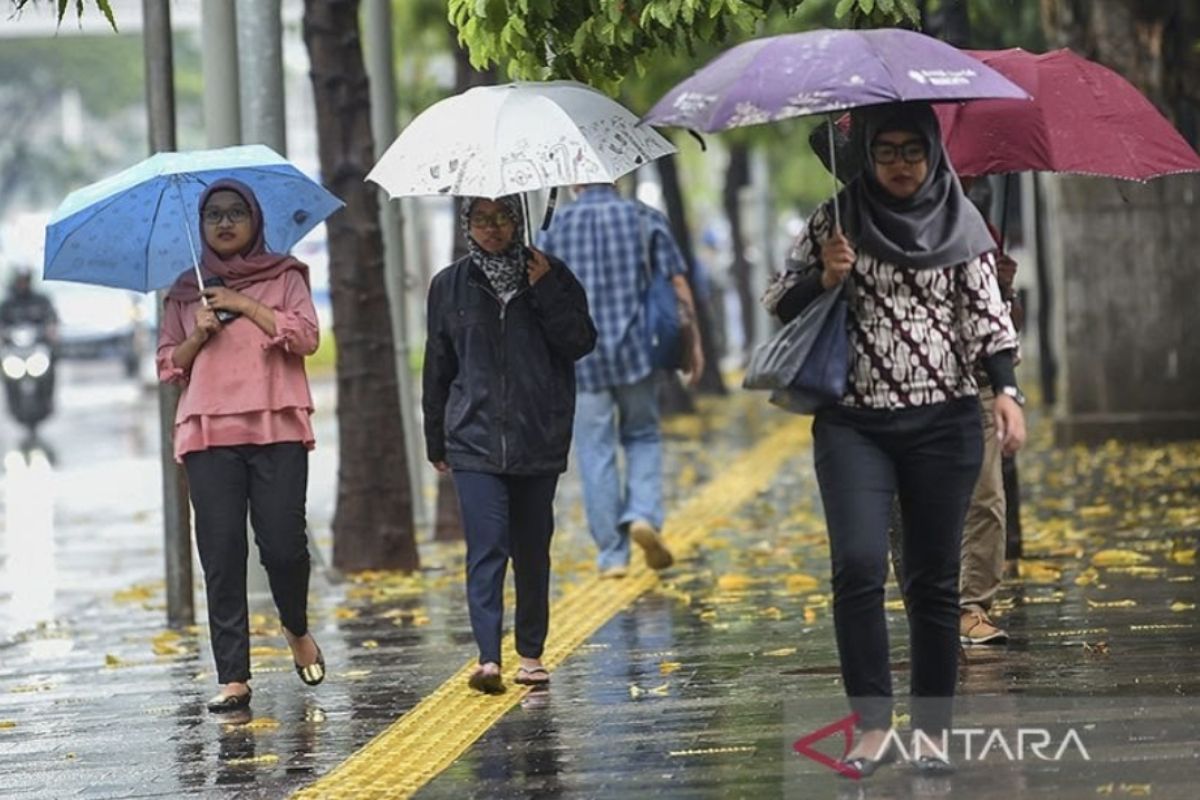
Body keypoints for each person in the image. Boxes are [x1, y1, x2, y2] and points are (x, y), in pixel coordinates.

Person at [762, 103, 1026, 775]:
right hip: (854, 424)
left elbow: (987, 318)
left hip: (943, 422)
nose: (901, 164)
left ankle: (932, 733)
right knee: (855, 566)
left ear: (932, 152)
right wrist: (824, 274)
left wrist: (1006, 394)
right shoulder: (836, 219)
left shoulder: (960, 218)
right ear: (868, 156)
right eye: (887, 152)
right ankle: (874, 726)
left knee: (933, 582)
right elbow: (777, 301)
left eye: (913, 150)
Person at [156, 179, 324, 713]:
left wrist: (243, 304)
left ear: (254, 219)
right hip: (208, 433)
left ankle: (295, 626)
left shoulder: (286, 276)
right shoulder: (186, 290)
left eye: (235, 213)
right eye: (213, 216)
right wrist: (199, 331)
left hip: (277, 427)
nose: (224, 223)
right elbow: (169, 365)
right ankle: (233, 676)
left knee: (283, 547)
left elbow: (306, 338)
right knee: (222, 554)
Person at [423, 195, 596, 694]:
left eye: (503, 218)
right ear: (467, 225)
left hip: (537, 434)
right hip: (472, 437)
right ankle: (487, 658)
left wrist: (544, 291)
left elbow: (580, 342)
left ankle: (531, 653)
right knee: (486, 546)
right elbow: (438, 366)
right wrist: (436, 437)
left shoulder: (552, 274)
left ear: (518, 221)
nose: (493, 229)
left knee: (532, 548)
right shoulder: (449, 284)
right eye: (482, 219)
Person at [538, 183, 703, 578]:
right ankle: (643, 513)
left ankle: (612, 555)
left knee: (596, 452)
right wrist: (693, 344)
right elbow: (678, 284)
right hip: (638, 353)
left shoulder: (553, 229)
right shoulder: (645, 217)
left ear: (576, 181)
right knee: (643, 434)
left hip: (582, 358)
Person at [958, 177, 1025, 646]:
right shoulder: (869, 223)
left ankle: (972, 606)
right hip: (913, 392)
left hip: (979, 384)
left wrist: (1005, 288)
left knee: (987, 498)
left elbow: (1003, 326)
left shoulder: (980, 228)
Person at [0, 268, 58, 334]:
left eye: (25, 281)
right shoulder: (8, 303)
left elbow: (51, 316)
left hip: (39, 338)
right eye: (20, 281)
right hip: (12, 338)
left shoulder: (41, 300)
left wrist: (50, 327)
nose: (23, 284)